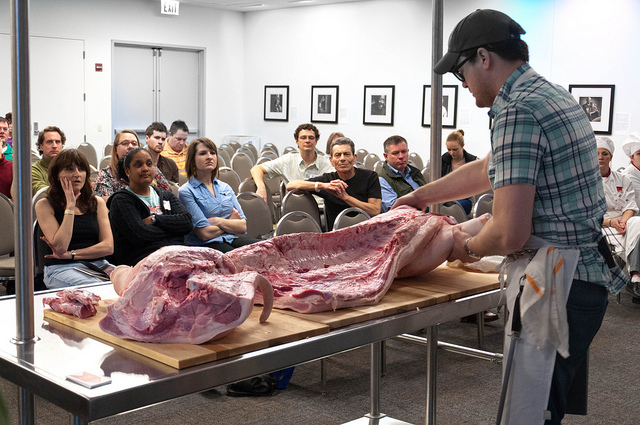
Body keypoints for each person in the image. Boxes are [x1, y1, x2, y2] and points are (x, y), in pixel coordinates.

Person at [393, 9, 624, 424]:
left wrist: (462, 245)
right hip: (582, 277)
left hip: (558, 283)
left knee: (528, 413)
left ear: (484, 57)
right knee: (545, 406)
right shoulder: (549, 94)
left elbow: (509, 234)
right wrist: (421, 196)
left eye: (460, 70)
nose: (460, 83)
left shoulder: (518, 110)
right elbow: (489, 168)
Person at [34, 149, 114, 289]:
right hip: (61, 269)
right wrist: (70, 206)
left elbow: (108, 247)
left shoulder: (97, 203)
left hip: (98, 265)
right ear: (57, 175)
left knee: (133, 282)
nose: (77, 174)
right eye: (69, 169)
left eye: (81, 169)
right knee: (97, 287)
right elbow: (60, 246)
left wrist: (71, 255)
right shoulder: (44, 205)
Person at [107, 148, 192, 266]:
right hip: (142, 261)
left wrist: (155, 219)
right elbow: (140, 235)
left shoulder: (165, 194)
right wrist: (174, 230)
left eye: (149, 164)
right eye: (138, 165)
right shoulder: (121, 200)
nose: (145, 169)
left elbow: (187, 222)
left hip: (176, 255)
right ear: (128, 171)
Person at [179, 138, 260, 252]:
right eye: (203, 153)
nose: (209, 157)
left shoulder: (225, 187)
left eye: (212, 153)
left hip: (230, 239)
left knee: (264, 248)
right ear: (192, 160)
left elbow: (242, 226)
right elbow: (204, 233)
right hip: (203, 245)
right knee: (235, 258)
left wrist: (218, 221)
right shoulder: (186, 191)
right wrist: (230, 222)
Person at [287, 137, 381, 231]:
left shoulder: (370, 177)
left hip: (366, 233)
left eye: (347, 154)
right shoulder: (328, 181)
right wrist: (323, 186)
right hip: (336, 236)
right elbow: (291, 185)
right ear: (331, 161)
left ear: (354, 158)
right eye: (338, 155)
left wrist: (346, 197)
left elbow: (375, 210)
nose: (342, 158)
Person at [599, 137, 640, 300]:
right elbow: (588, 214)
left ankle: (635, 277)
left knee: (637, 222)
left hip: (623, 222)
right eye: (597, 154)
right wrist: (612, 223)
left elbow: (630, 206)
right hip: (602, 224)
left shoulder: (622, 179)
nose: (600, 157)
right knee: (634, 238)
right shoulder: (587, 181)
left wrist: (623, 221)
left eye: (604, 153)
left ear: (611, 157)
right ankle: (635, 278)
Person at [250, 123, 333, 203]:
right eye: (303, 137)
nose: (307, 141)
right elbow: (256, 169)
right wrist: (261, 187)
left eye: (311, 138)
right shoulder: (287, 160)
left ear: (316, 141)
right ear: (297, 141)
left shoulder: (327, 164)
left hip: (320, 210)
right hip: (294, 208)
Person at [94, 130, 170, 202]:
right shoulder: (106, 175)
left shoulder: (151, 170)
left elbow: (168, 196)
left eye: (134, 143)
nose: (130, 146)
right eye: (125, 143)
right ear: (116, 149)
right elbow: (108, 204)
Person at [377, 135, 427, 213]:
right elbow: (395, 209)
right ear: (386, 156)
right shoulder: (382, 179)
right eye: (395, 153)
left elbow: (428, 196)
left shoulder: (415, 172)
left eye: (404, 152)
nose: (401, 156)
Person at [441, 129, 477, 215]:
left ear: (463, 146)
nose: (451, 153)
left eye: (455, 150)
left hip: (464, 199)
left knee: (456, 207)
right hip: (445, 198)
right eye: (449, 149)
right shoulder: (443, 160)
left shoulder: (471, 161)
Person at [32, 126, 66, 195]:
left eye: (57, 142)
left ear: (62, 146)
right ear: (41, 147)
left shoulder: (69, 168)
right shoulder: (34, 170)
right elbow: (42, 193)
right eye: (49, 142)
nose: (54, 146)